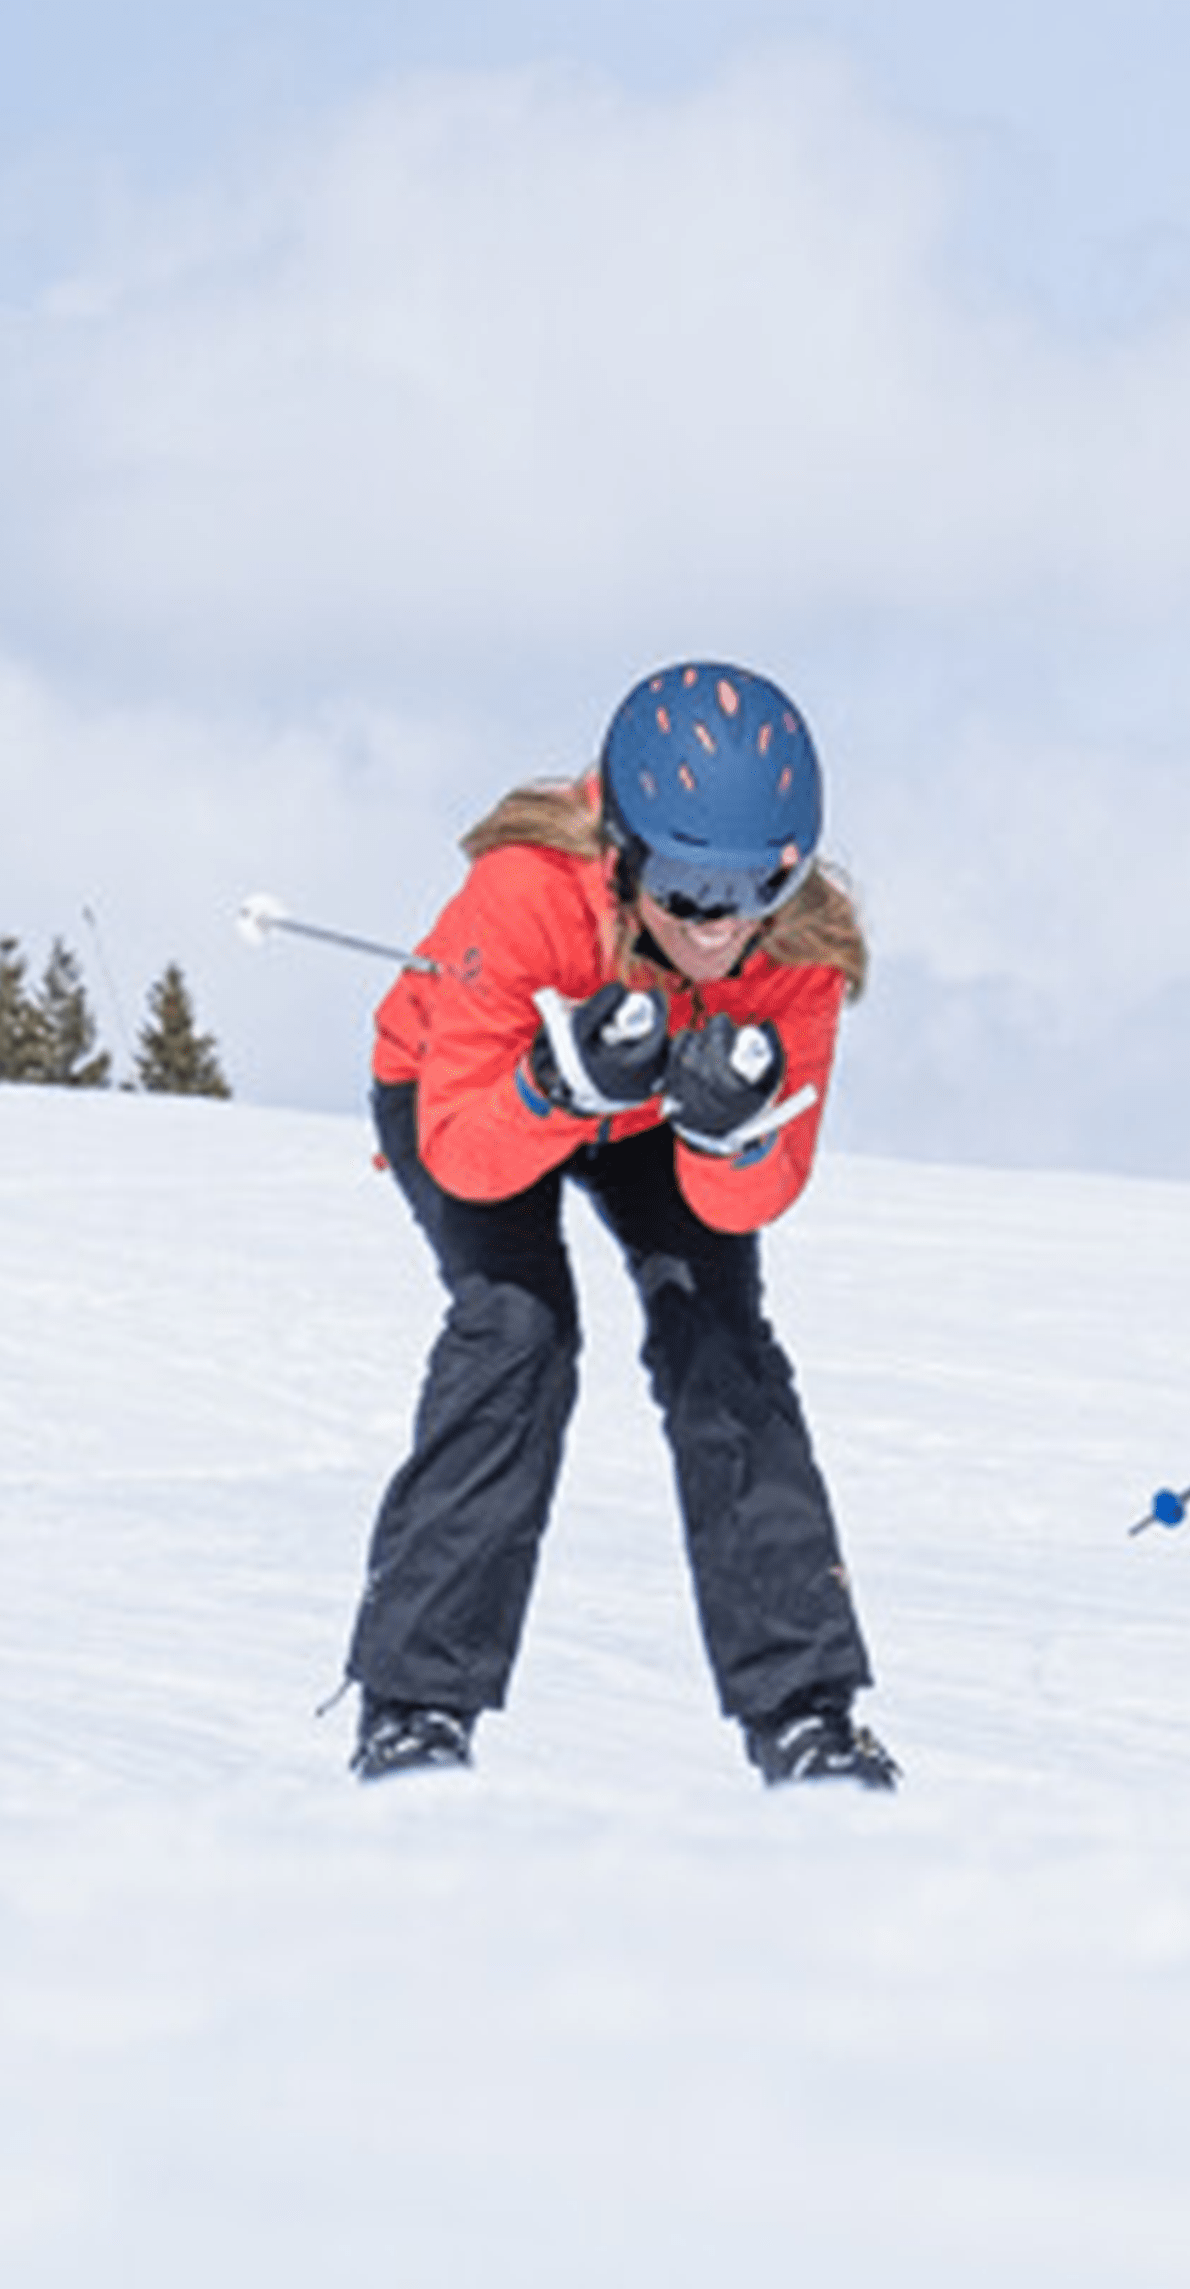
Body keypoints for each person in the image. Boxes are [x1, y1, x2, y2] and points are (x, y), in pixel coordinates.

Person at [339, 659, 895, 1789]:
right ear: (624, 854)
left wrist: (723, 1135)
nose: (720, 928)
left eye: (758, 889)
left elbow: (763, 1188)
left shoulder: (798, 956)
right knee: (518, 1332)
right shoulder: (525, 896)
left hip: (654, 1113)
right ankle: (414, 1708)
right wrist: (556, 1084)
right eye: (689, 889)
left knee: (720, 1340)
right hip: (475, 1089)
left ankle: (805, 1714)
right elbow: (461, 1150)